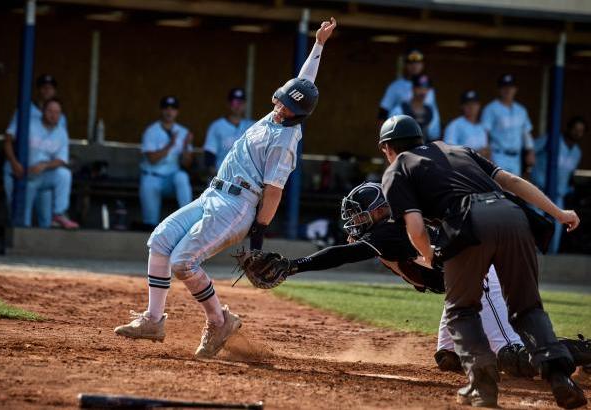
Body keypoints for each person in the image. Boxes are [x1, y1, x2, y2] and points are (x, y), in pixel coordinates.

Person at [114, 17, 337, 359]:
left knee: (183, 262)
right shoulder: (279, 113)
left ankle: (220, 321)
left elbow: (274, 192)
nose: (278, 108)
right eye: (279, 102)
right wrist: (319, 44)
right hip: (213, 195)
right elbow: (304, 81)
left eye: (286, 108)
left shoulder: (286, 139)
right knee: (159, 241)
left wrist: (257, 239)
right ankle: (153, 320)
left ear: (297, 116)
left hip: (237, 207)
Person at [238, 182, 591, 377]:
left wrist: (294, 265)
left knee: (513, 359)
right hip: (460, 288)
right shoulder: (393, 234)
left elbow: (343, 254)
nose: (356, 223)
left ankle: (579, 353)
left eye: (361, 216)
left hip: (483, 278)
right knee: (448, 358)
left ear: (379, 211)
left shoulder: (391, 228)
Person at [379, 115, 586, 408]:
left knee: (461, 310)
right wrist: (558, 213)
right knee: (527, 308)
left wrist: (428, 255)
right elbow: (512, 182)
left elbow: (415, 227)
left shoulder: (397, 168)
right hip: (513, 217)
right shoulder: (459, 150)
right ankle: (561, 378)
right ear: (419, 139)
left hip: (469, 222)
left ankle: (483, 387)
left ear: (387, 148)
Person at [3, 98, 78, 229]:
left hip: (42, 175)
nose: (53, 115)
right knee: (21, 219)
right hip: (22, 174)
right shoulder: (28, 122)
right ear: (43, 111)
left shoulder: (61, 132)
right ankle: (18, 243)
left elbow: (61, 160)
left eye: (57, 112)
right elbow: (7, 139)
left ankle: (59, 213)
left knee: (64, 174)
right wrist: (14, 162)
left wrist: (44, 165)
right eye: (50, 111)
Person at [532, 116, 585, 253]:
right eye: (575, 129)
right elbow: (530, 150)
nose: (577, 133)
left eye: (580, 131)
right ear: (568, 128)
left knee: (556, 228)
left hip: (558, 195)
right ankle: (532, 257)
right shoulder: (551, 138)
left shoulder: (577, 152)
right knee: (536, 223)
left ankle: (550, 260)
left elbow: (569, 175)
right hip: (539, 189)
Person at [139, 96, 194, 228]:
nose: (169, 112)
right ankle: (150, 227)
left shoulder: (183, 131)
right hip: (152, 177)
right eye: (166, 108)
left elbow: (187, 164)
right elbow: (152, 160)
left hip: (171, 178)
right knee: (150, 222)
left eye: (173, 108)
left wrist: (186, 146)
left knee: (182, 176)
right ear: (161, 110)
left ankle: (188, 221)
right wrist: (170, 145)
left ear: (177, 112)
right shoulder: (151, 131)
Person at [481, 74, 535, 177]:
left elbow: (526, 132)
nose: (507, 90)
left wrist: (530, 150)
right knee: (498, 188)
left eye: (510, 87)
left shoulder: (521, 110)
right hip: (497, 155)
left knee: (513, 190)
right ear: (499, 89)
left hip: (516, 157)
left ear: (515, 89)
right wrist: (487, 154)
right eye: (504, 87)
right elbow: (484, 132)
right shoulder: (491, 108)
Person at [377, 49, 438, 129]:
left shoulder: (428, 87)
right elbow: (383, 113)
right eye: (411, 63)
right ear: (406, 65)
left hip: (423, 134)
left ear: (423, 64)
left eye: (418, 62)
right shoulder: (396, 86)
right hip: (400, 132)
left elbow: (434, 115)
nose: (414, 66)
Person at [203, 88, 254, 174]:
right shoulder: (217, 126)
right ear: (228, 104)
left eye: (241, 103)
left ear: (245, 105)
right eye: (235, 102)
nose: (238, 106)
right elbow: (209, 155)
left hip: (246, 178)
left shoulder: (252, 126)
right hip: (221, 175)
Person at [390, 74, 440, 141]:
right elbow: (391, 137)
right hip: (403, 149)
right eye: (419, 88)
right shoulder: (399, 110)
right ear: (413, 88)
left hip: (425, 150)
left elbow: (434, 135)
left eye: (426, 89)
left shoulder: (431, 111)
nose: (423, 91)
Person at [444, 90, 490, 158]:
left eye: (474, 104)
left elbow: (486, 150)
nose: (471, 107)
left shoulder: (482, 126)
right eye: (467, 104)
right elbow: (449, 152)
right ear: (461, 106)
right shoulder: (454, 125)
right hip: (463, 167)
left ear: (479, 106)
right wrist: (476, 153)